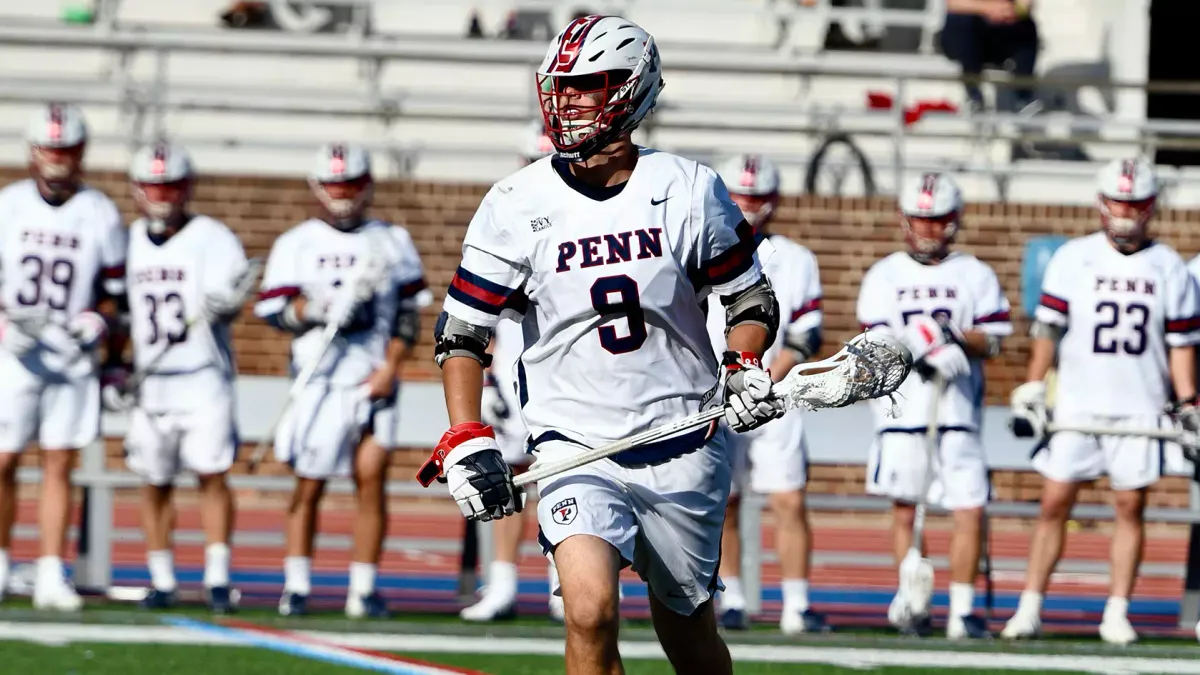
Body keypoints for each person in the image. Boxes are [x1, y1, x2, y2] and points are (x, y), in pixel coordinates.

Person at [417, 15, 784, 674]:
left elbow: (750, 300)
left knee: (689, 634)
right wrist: (466, 432)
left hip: (684, 440)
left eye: (588, 85)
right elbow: (462, 332)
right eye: (562, 86)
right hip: (575, 444)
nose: (570, 101)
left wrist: (744, 361)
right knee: (588, 610)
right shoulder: (514, 202)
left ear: (633, 88)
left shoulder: (686, 188)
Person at [1005, 158, 1200, 646]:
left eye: (1134, 203)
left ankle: (1117, 610)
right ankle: (1029, 606)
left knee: (1130, 505)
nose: (1125, 212)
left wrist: (1188, 400)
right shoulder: (1074, 257)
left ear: (1151, 207)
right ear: (1101, 202)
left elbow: (1180, 345)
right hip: (1077, 399)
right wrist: (1034, 383)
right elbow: (1048, 330)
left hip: (1140, 402)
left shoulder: (1169, 267)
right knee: (1054, 501)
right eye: (1118, 201)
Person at [255, 142, 430, 619]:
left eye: (350, 185)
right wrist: (312, 310)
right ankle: (296, 585)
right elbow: (273, 311)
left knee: (370, 482)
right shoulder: (297, 242)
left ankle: (363, 588)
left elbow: (410, 316)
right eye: (334, 185)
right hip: (320, 379)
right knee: (308, 486)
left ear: (367, 185)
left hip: (372, 378)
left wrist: (390, 368)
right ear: (317, 188)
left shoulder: (392, 240)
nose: (343, 195)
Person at [856, 173, 1011, 639]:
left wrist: (956, 338)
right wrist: (918, 346)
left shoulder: (974, 273)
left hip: (957, 412)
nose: (927, 229)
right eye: (921, 219)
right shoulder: (885, 274)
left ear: (955, 221)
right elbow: (872, 344)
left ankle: (962, 611)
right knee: (906, 510)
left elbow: (996, 340)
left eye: (937, 219)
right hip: (902, 412)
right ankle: (913, 601)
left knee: (970, 508)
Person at [105, 142, 254, 614]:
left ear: (187, 188)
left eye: (170, 186)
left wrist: (225, 305)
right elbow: (117, 310)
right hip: (151, 380)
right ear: (137, 190)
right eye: (153, 186)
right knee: (154, 480)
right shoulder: (125, 241)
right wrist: (114, 363)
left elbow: (232, 295)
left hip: (202, 375)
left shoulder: (212, 236)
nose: (162, 196)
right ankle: (162, 578)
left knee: (212, 474)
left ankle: (216, 577)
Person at [0, 103, 128, 611]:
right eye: (51, 151)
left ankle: (52, 570)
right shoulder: (8, 205)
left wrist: (99, 323)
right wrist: (4, 325)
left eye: (67, 152)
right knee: (3, 460)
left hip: (72, 358)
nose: (57, 162)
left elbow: (115, 293)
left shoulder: (99, 211)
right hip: (15, 355)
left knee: (59, 461)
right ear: (34, 152)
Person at [705, 154, 827, 635]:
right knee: (725, 501)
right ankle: (732, 596)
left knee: (788, 500)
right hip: (718, 395)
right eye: (741, 195)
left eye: (756, 196)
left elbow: (806, 335)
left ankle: (796, 603)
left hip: (775, 395)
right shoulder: (702, 249)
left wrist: (766, 379)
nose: (748, 205)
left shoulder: (797, 259)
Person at [459, 120, 566, 623]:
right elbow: (474, 309)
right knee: (509, 475)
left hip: (566, 367)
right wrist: (485, 378)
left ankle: (564, 582)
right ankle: (502, 583)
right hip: (511, 365)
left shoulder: (581, 216)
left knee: (563, 474)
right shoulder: (503, 217)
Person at [939, 0, 1038, 113]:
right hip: (964, 37)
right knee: (963, 21)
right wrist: (987, 9)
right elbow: (953, 4)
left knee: (1027, 25)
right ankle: (974, 96)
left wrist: (1012, 11)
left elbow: (1026, 5)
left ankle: (1023, 98)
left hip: (998, 33)